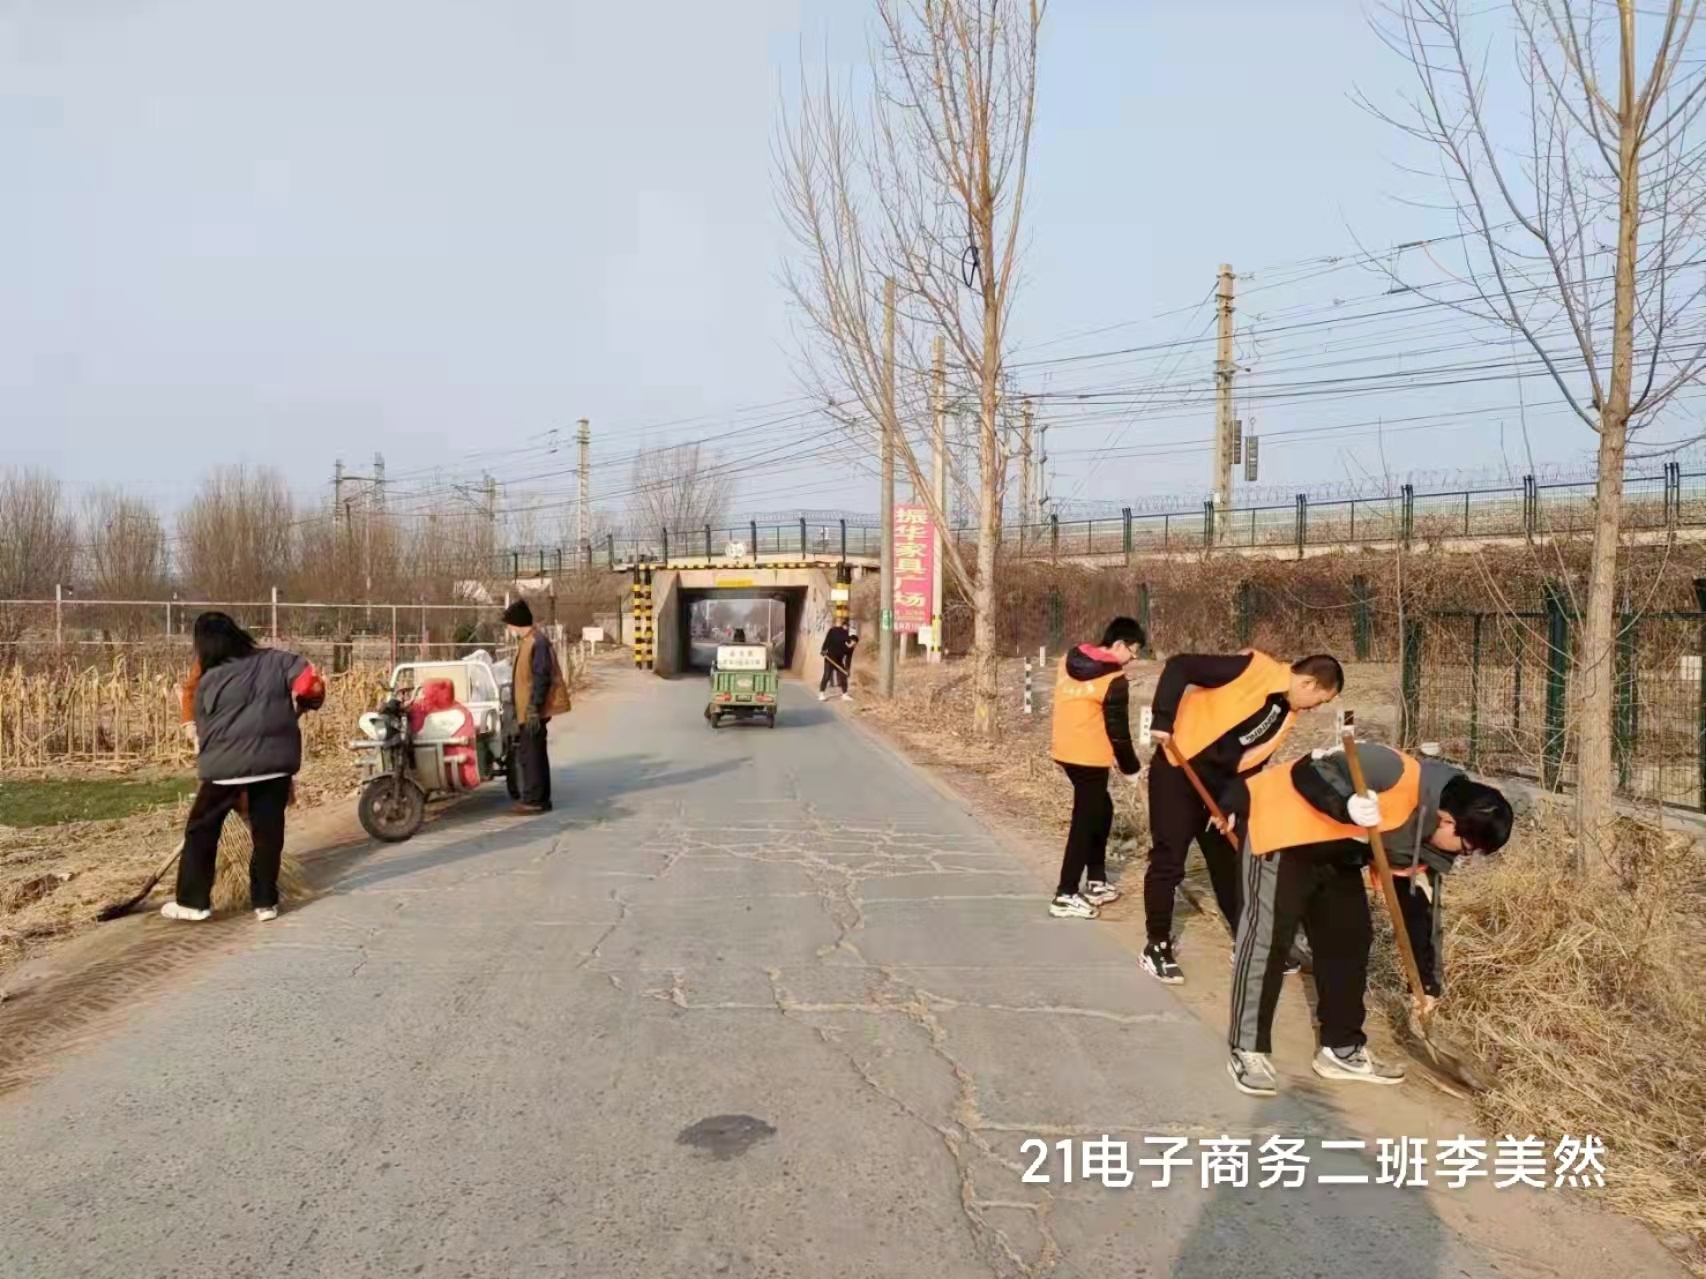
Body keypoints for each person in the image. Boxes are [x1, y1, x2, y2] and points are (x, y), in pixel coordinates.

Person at [1222, 742, 1513, 1097]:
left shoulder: (1426, 838)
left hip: (1337, 853)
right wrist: (1345, 804)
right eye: (1466, 848)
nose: (1463, 857)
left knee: (1349, 939)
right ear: (1448, 821)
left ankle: (1341, 1049)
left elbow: (1419, 906)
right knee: (1268, 940)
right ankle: (1248, 1049)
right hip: (1283, 834)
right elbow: (1308, 771)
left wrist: (1427, 983)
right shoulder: (1392, 769)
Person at [1141, 650, 1344, 984]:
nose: (1315, 709)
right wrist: (1163, 719)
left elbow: (1252, 763)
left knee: (1230, 862)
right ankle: (1157, 946)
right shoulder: (1252, 669)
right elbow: (1180, 666)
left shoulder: (1286, 714)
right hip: (1178, 771)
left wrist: (1231, 805)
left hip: (1218, 790)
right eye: (1320, 701)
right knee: (1169, 859)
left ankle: (1247, 942)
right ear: (1308, 683)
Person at [161, 613, 324, 923]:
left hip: (226, 768)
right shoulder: (277, 660)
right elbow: (310, 684)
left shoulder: (210, 675)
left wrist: (195, 735)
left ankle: (193, 903)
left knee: (201, 828)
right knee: (268, 833)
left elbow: (200, 717)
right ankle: (265, 902)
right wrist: (305, 704)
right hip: (275, 765)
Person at [1047, 617, 1145, 919]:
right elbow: (1119, 732)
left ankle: (1096, 880)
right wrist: (1131, 768)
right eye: (1133, 651)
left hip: (1065, 750)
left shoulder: (1068, 659)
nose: (1134, 658)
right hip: (1089, 757)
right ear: (1119, 644)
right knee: (1085, 821)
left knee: (1102, 809)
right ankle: (1065, 894)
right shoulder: (1114, 679)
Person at [506, 600, 570, 814]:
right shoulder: (529, 641)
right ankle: (540, 799)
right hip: (527, 709)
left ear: (517, 623)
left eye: (510, 624)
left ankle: (534, 800)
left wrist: (534, 707)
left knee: (531, 756)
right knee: (535, 754)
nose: (509, 629)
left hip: (532, 711)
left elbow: (541, 676)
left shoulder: (537, 642)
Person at [819, 620, 858, 701]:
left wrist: (847, 669)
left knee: (843, 675)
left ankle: (844, 694)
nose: (853, 645)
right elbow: (827, 640)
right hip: (830, 657)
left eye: (854, 644)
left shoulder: (851, 648)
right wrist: (823, 649)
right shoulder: (836, 632)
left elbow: (848, 658)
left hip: (838, 661)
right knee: (827, 675)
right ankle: (821, 693)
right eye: (852, 643)